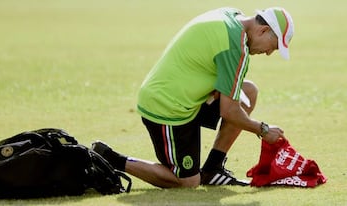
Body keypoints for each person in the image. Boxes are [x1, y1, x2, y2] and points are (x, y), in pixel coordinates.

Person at [92, 7, 294, 188]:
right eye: (274, 46)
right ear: (264, 30)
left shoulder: (231, 15)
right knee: (188, 182)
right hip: (166, 107)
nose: (268, 53)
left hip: (183, 97)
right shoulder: (237, 47)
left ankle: (213, 169)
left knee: (248, 92)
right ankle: (110, 157)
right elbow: (229, 110)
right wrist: (264, 130)